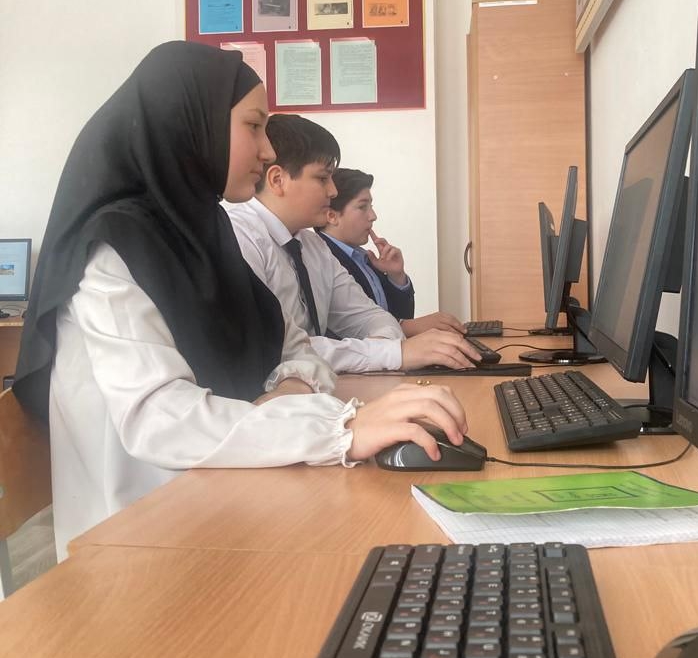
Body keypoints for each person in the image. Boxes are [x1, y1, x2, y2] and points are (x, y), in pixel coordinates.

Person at [13, 42, 468, 560]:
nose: (268, 150)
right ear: (192, 123)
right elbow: (159, 420)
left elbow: (296, 345)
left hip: (228, 500)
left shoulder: (206, 231)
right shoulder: (110, 252)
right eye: (254, 126)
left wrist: (290, 391)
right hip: (141, 542)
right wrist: (340, 429)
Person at [224, 114, 480, 375]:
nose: (333, 191)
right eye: (322, 178)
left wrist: (385, 348)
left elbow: (369, 316)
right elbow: (278, 348)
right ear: (278, 180)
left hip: (315, 389)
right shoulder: (237, 239)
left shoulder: (312, 246)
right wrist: (391, 353)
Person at [319, 167, 465, 336]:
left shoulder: (363, 257)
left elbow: (402, 317)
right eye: (362, 207)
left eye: (371, 206)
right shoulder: (322, 259)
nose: (373, 216)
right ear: (332, 216)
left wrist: (397, 277)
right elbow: (351, 331)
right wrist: (414, 327)